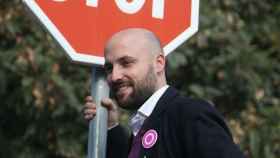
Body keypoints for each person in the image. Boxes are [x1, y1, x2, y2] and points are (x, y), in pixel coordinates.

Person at [83, 28, 245, 158]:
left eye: (126, 63)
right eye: (109, 68)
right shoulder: (143, 127)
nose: (114, 76)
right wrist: (111, 127)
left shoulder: (189, 114)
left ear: (159, 63)